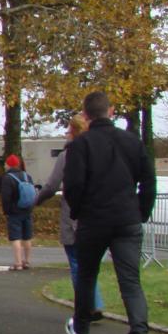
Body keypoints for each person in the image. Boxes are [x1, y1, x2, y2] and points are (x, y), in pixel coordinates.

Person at [63, 91, 157, 334]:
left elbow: (73, 186)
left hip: (94, 218)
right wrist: (141, 212)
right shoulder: (132, 142)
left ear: (86, 114)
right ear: (111, 111)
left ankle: (81, 327)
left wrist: (80, 211)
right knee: (130, 281)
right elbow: (149, 181)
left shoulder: (82, 145)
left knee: (87, 274)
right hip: (127, 217)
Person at [35, 114, 105, 320]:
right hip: (97, 216)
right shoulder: (100, 153)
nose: (65, 134)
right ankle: (95, 302)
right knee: (89, 263)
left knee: (77, 262)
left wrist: (36, 200)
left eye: (67, 131)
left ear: (74, 132)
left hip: (74, 216)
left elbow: (51, 185)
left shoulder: (67, 156)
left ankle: (86, 307)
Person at [1, 154, 35, 270]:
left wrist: (6, 211)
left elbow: (6, 197)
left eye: (5, 163)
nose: (4, 165)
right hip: (27, 210)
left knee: (15, 237)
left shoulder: (8, 178)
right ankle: (27, 261)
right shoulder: (27, 176)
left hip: (14, 212)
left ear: (9, 165)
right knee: (27, 237)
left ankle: (18, 263)